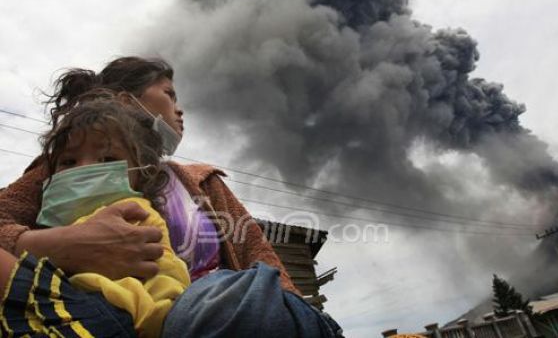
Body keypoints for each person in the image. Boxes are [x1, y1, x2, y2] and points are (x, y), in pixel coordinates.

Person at [0, 56, 343, 337]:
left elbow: (261, 256)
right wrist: (63, 246)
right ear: (125, 101)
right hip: (106, 315)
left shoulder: (203, 182)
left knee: (226, 303)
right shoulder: (65, 167)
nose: (179, 110)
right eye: (170, 94)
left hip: (219, 315)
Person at [0, 96, 190, 337]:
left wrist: (152, 320)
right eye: (68, 161)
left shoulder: (135, 214)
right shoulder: (44, 222)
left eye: (107, 159)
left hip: (115, 317)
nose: (83, 169)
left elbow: (167, 276)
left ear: (142, 173)